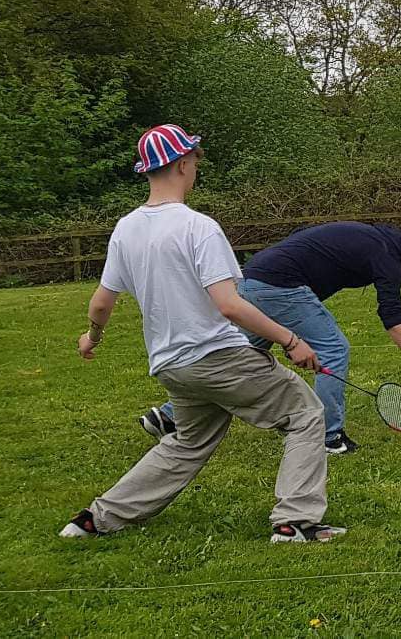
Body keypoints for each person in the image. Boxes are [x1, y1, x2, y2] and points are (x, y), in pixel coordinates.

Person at [61, 125, 345, 543]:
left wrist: (93, 337)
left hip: (172, 367)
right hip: (218, 358)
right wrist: (291, 340)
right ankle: (296, 522)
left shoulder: (126, 229)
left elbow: (102, 303)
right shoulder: (199, 227)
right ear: (181, 164)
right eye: (194, 159)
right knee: (304, 413)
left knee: (188, 441)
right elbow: (229, 305)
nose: (196, 167)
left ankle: (96, 519)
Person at [139, 223, 401, 455]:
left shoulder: (374, 240)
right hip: (280, 285)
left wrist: (294, 334)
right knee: (334, 349)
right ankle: (328, 437)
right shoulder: (385, 253)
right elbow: (392, 317)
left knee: (239, 357)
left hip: (253, 280)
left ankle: (168, 416)